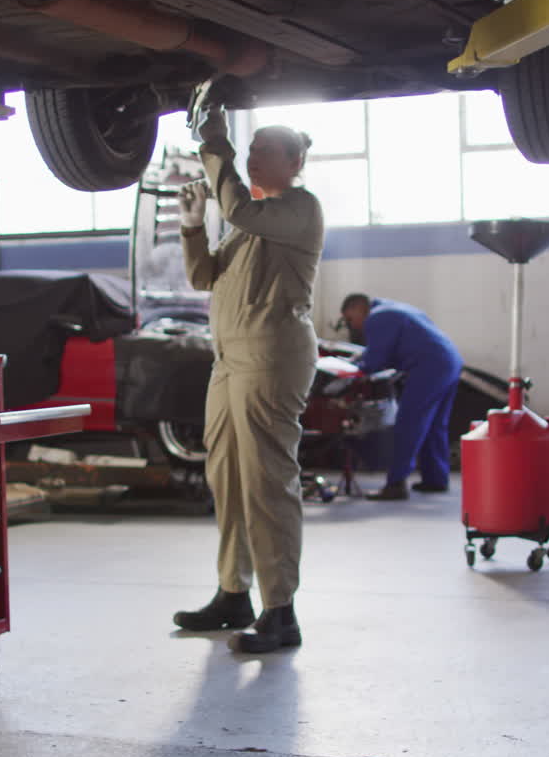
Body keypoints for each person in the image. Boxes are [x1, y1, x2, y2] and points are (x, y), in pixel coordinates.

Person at [173, 109, 324, 653]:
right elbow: (202, 277)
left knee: (266, 482)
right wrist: (192, 227)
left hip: (270, 357)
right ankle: (234, 593)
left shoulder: (299, 209)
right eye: (250, 148)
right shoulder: (249, 224)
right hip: (229, 359)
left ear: (295, 163)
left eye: (265, 151)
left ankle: (280, 611)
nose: (253, 157)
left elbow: (236, 204)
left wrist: (215, 142)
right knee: (227, 478)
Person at [340, 293, 463, 501]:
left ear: (358, 308)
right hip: (450, 361)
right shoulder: (394, 309)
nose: (352, 326)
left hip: (429, 367)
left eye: (350, 319)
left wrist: (350, 367)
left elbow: (374, 362)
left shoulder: (376, 318)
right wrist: (361, 358)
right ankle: (436, 479)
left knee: (409, 423)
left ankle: (395, 484)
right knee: (435, 425)